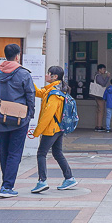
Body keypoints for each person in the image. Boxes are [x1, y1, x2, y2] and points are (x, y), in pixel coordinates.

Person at [0, 43, 35, 198]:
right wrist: (29, 115)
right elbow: (30, 96)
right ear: (17, 56)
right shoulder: (24, 74)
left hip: (1, 117)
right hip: (19, 119)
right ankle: (7, 186)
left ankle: (5, 184)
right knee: (15, 152)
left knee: (4, 152)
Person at [30, 65, 78, 193]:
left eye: (48, 73)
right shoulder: (55, 90)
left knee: (41, 153)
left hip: (52, 129)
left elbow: (48, 115)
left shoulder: (55, 94)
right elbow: (39, 93)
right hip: (59, 128)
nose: (46, 75)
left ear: (54, 77)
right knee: (57, 153)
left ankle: (42, 181)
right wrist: (30, 81)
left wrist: (37, 131)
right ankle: (69, 178)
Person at [92, 64, 110, 131]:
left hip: (98, 95)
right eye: (103, 69)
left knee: (99, 110)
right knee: (101, 110)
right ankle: (99, 126)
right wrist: (107, 77)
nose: (104, 70)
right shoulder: (99, 76)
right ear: (99, 69)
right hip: (99, 96)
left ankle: (98, 125)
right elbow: (103, 84)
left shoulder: (97, 75)